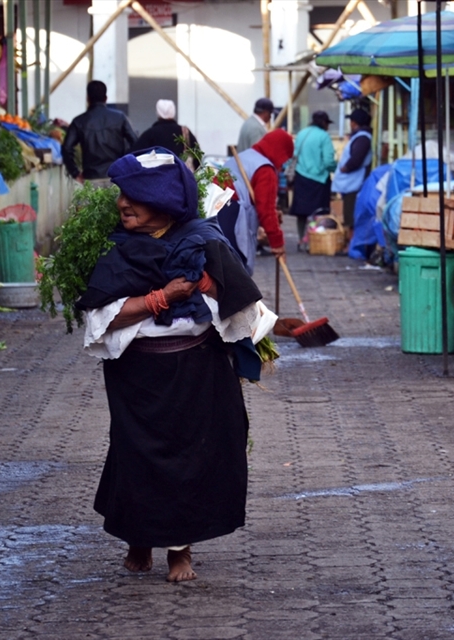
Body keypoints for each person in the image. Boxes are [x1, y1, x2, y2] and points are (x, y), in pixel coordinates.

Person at [75, 147, 271, 583]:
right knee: (138, 455)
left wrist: (207, 285)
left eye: (135, 197)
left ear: (165, 202)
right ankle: (139, 538)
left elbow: (244, 312)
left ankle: (180, 551)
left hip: (198, 372)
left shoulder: (204, 242)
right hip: (138, 376)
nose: (123, 203)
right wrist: (162, 298)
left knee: (192, 458)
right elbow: (100, 318)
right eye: (121, 195)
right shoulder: (117, 250)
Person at [219, 129, 294, 274]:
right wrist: (277, 242)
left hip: (214, 211)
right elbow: (265, 208)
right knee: (236, 271)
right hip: (232, 216)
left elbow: (257, 200)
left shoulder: (244, 157)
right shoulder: (265, 169)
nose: (283, 164)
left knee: (224, 268)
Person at [62, 81, 138, 187]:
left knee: (91, 204)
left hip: (91, 178)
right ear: (106, 98)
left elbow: (66, 148)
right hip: (116, 177)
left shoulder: (79, 121)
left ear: (88, 98)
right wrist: (126, 166)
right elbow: (135, 142)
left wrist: (75, 173)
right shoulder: (120, 118)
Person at [289, 110, 338, 251]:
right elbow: (328, 160)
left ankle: (300, 239)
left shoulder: (302, 134)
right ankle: (314, 240)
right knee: (319, 212)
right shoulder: (324, 136)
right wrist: (336, 169)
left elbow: (294, 154)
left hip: (301, 177)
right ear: (323, 122)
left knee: (301, 212)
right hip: (319, 179)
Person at [331, 108, 373, 244]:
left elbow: (357, 158)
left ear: (355, 123)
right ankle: (351, 243)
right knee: (350, 214)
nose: (350, 124)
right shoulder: (360, 137)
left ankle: (351, 244)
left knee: (351, 215)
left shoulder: (362, 138)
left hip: (354, 183)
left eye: (352, 121)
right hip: (351, 182)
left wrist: (346, 167)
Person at [130, 99, 200, 163]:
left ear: (158, 113)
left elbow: (133, 154)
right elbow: (198, 156)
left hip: (158, 176)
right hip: (181, 175)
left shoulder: (150, 134)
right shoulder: (185, 132)